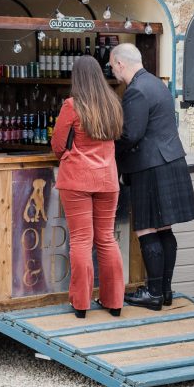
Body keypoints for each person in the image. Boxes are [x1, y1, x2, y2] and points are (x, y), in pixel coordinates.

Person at [109, 43, 194, 311]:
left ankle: (153, 294)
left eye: (112, 66)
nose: (112, 71)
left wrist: (108, 148)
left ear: (120, 64)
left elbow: (131, 134)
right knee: (164, 229)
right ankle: (165, 290)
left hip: (150, 166)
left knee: (147, 228)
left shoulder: (135, 90)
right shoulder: (157, 84)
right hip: (169, 160)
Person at [52, 57, 125, 319]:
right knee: (106, 238)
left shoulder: (72, 106)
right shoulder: (112, 103)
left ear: (77, 77)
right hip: (107, 179)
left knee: (81, 240)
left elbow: (58, 145)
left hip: (78, 180)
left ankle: (81, 304)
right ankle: (115, 301)